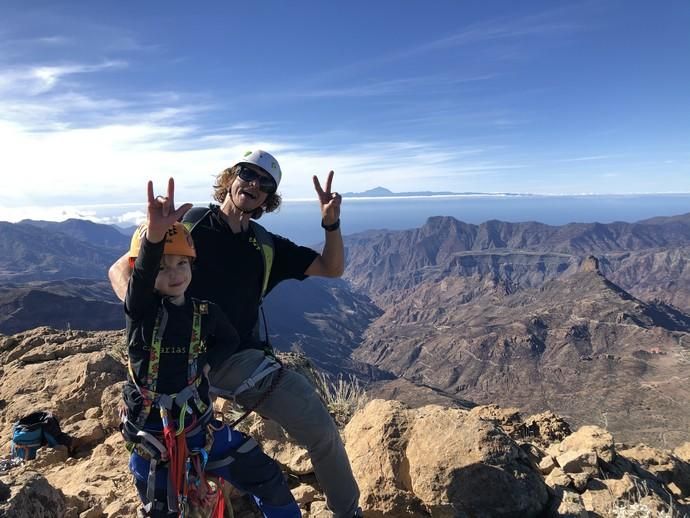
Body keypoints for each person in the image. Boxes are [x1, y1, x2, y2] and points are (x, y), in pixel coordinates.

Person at [110, 151, 362, 518]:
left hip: (239, 358)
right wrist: (147, 315)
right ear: (231, 177)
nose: (255, 184)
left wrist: (331, 224)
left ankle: (347, 511)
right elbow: (120, 269)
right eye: (248, 173)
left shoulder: (265, 245)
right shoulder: (190, 226)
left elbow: (332, 267)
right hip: (178, 362)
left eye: (266, 184)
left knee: (321, 430)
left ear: (268, 199)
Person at [121, 179, 301, 518]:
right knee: (164, 509)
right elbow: (141, 281)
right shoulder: (141, 314)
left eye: (182, 264)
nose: (174, 274)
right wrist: (154, 239)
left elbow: (230, 340)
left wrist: (206, 364)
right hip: (154, 444)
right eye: (161, 266)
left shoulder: (204, 311)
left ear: (193, 266)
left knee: (268, 478)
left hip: (199, 432)